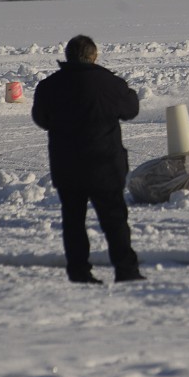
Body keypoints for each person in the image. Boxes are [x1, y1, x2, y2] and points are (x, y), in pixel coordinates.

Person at [32, 34, 144, 284]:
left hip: (67, 167)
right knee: (115, 221)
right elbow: (131, 110)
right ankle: (126, 270)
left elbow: (41, 119)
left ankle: (79, 271)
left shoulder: (49, 86)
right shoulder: (110, 83)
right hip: (105, 166)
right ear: (94, 56)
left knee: (73, 222)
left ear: (68, 56)